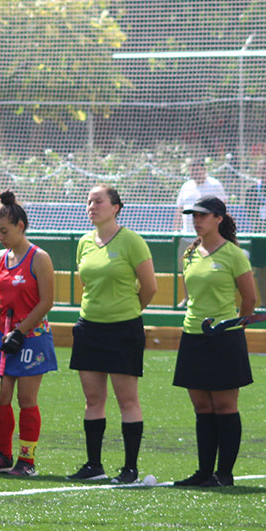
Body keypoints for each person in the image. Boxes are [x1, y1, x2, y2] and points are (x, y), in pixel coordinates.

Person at [68, 185, 157, 483]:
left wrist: (128, 311)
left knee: (127, 401)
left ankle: (129, 469)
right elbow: (87, 284)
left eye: (99, 201)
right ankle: (94, 465)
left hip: (123, 330)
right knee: (93, 399)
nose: (92, 206)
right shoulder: (83, 242)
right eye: (89, 201)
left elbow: (149, 287)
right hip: (89, 327)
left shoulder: (132, 241)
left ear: (116, 207)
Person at [172, 196, 257, 488]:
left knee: (224, 406)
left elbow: (250, 299)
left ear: (219, 218)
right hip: (193, 335)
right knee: (201, 406)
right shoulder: (190, 253)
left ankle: (224, 474)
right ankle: (204, 471)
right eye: (194, 215)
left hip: (224, 337)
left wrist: (235, 329)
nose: (196, 220)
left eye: (203, 215)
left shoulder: (234, 254)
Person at [0, 191, 56, 477]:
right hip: (2, 336)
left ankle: (27, 460)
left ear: (20, 226)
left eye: (5, 231)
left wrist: (20, 332)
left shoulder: (39, 258)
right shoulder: (0, 257)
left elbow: (46, 301)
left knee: (26, 399)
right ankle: (2, 454)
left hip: (31, 338)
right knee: (1, 398)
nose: (0, 237)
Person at [174, 158, 228, 258]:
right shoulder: (186, 186)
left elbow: (223, 209)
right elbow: (179, 209)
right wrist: (176, 231)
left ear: (204, 170)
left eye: (198, 170)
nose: (196, 173)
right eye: (193, 170)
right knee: (185, 268)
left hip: (209, 238)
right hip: (187, 237)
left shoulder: (215, 185)